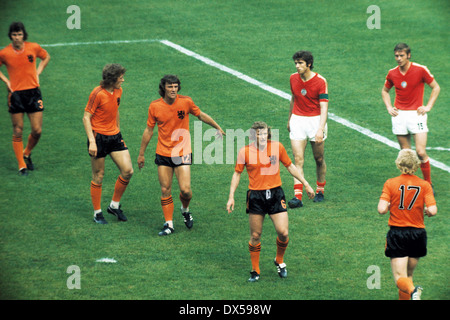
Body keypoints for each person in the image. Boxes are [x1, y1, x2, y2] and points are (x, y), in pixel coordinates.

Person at [226, 121, 315, 282]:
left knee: (283, 232)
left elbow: (290, 166)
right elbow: (237, 174)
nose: (262, 136)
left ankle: (279, 261)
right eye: (259, 133)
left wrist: (306, 184)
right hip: (256, 197)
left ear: (269, 134)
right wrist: (231, 196)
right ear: (253, 135)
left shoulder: (277, 147)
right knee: (255, 235)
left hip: (275, 194)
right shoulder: (245, 152)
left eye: (265, 133)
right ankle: (255, 270)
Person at [138, 74, 225, 236]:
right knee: (165, 189)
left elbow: (200, 114)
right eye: (170, 86)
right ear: (163, 87)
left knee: (185, 190)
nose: (173, 89)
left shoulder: (185, 102)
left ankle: (185, 209)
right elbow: (149, 130)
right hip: (163, 153)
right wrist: (141, 154)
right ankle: (169, 224)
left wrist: (217, 127)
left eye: (175, 86)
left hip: (182, 152)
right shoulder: (155, 106)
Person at [378, 149, 437, 300]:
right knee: (408, 275)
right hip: (418, 234)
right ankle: (413, 292)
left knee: (400, 279)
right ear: (416, 165)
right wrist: (427, 211)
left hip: (398, 234)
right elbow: (432, 210)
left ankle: (413, 291)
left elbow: (381, 209)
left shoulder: (391, 183)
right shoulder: (424, 185)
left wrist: (391, 205)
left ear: (399, 163)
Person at [381, 43, 440, 189]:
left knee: (420, 152)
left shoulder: (420, 70)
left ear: (408, 55)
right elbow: (385, 91)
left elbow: (436, 87)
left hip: (416, 115)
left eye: (401, 56)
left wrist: (428, 106)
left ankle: (428, 184)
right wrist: (389, 107)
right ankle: (409, 184)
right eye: (396, 56)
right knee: (406, 154)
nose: (399, 59)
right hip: (399, 116)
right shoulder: (392, 73)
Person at [83, 64, 133, 224]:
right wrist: (92, 141)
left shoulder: (119, 91)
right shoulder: (97, 93)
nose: (123, 80)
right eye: (120, 78)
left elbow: (115, 109)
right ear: (112, 79)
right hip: (98, 138)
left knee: (128, 171)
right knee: (99, 175)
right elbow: (86, 117)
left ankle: (114, 205)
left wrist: (117, 129)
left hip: (114, 137)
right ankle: (97, 213)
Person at [0, 22, 50, 175]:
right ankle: (22, 165)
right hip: (16, 95)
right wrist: (6, 81)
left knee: (37, 130)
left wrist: (38, 72)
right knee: (18, 129)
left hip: (33, 93)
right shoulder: (5, 53)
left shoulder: (33, 47)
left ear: (24, 35)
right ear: (11, 36)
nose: (17, 38)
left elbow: (46, 56)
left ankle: (26, 152)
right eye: (14, 35)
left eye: (19, 34)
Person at [287, 51, 328, 208]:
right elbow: (293, 98)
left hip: (315, 121)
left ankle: (320, 190)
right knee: (298, 159)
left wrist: (320, 129)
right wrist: (290, 118)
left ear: (309, 64)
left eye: (300, 63)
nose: (297, 66)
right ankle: (298, 196)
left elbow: (324, 107)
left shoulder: (320, 81)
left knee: (318, 159)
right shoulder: (292, 78)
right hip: (298, 120)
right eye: (296, 63)